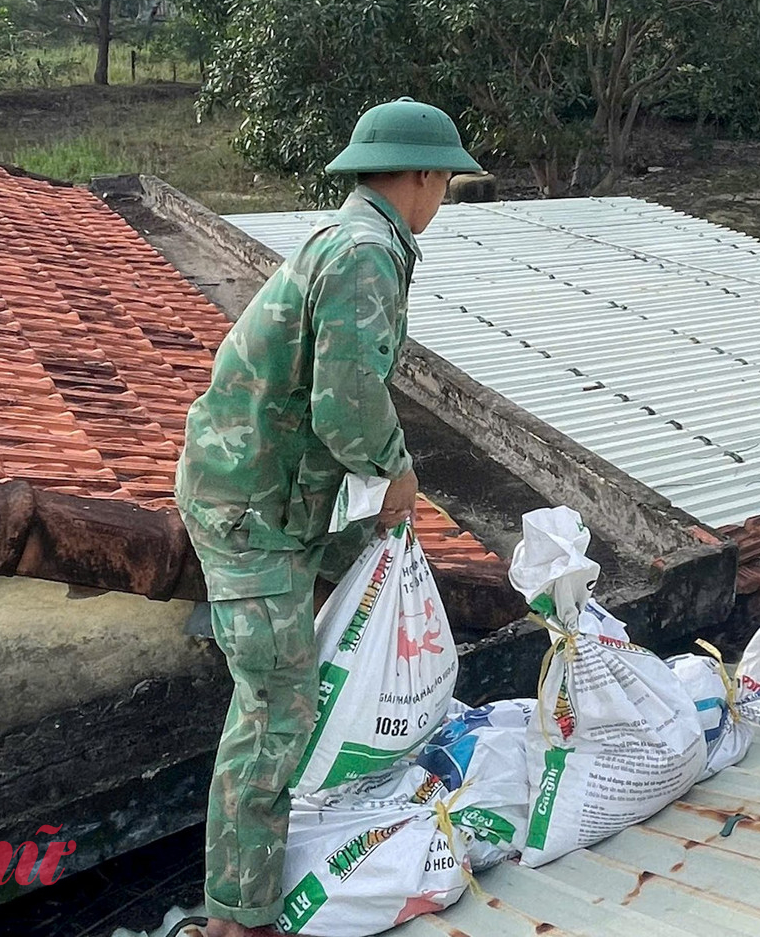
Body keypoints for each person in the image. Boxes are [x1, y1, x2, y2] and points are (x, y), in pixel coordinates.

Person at [175, 98, 483, 937]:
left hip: (271, 496)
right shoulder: (365, 253)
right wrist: (398, 473)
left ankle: (255, 888)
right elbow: (347, 405)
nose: (443, 198)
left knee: (286, 696)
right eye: (445, 181)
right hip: (250, 510)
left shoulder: (356, 238)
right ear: (421, 175)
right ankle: (237, 921)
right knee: (275, 709)